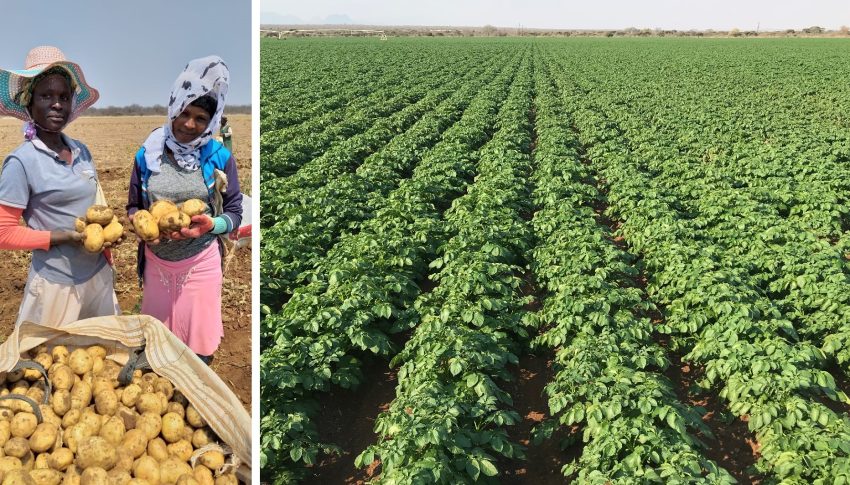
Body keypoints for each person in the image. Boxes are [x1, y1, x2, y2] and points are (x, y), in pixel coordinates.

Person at [126, 56, 242, 363]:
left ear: (211, 121)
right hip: (157, 264)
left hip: (200, 264)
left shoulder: (218, 157)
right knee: (157, 342)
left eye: (201, 118)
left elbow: (234, 212)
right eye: (184, 113)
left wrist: (211, 226)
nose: (190, 124)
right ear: (173, 107)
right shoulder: (147, 155)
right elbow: (134, 206)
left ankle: (194, 397)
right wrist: (141, 227)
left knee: (197, 349)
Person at [0, 46, 120, 327]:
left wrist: (108, 238)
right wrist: (61, 237)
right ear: (30, 103)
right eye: (46, 96)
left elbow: (94, 207)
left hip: (98, 275)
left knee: (102, 358)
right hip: (56, 285)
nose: (57, 104)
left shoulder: (82, 151)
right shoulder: (21, 161)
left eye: (64, 97)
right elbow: (4, 233)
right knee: (49, 363)